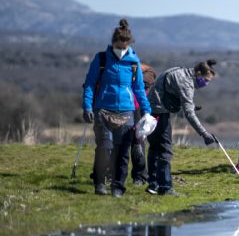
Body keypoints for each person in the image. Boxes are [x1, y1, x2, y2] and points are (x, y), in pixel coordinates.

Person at [82, 19, 152, 197]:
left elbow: (138, 88)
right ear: (113, 43)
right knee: (104, 148)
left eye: (124, 47)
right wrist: (87, 106)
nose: (121, 51)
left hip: (126, 112)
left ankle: (118, 187)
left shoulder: (133, 63)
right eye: (118, 47)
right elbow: (90, 83)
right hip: (103, 110)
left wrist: (146, 109)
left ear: (129, 45)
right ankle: (99, 183)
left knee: (122, 152)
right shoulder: (102, 59)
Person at [145, 60, 218, 196]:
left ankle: (153, 184)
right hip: (159, 113)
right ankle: (165, 187)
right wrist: (204, 133)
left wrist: (187, 104)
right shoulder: (186, 83)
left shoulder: (181, 71)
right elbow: (189, 113)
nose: (205, 84)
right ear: (197, 73)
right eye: (205, 80)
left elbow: (171, 92)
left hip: (151, 109)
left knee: (155, 148)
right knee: (165, 149)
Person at [130, 63, 157, 185]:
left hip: (136, 107)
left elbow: (150, 74)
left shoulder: (136, 66)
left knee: (137, 141)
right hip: (120, 106)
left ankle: (140, 176)